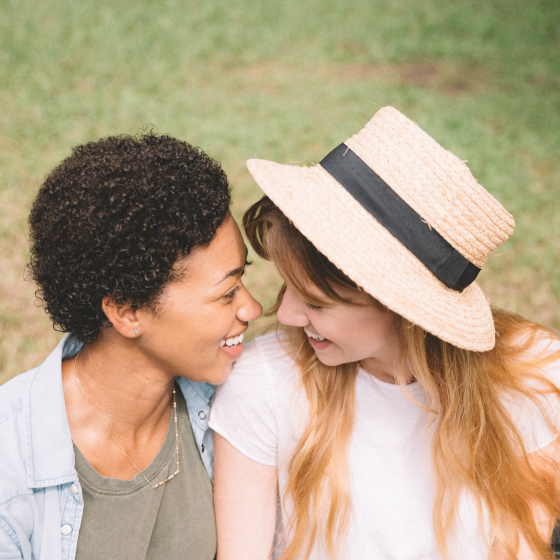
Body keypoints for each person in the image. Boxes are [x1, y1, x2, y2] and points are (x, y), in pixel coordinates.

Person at [209, 107, 560, 560]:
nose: (287, 315)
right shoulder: (265, 381)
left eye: (316, 303)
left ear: (405, 310)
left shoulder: (531, 376)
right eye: (288, 288)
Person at [0, 132, 262, 560]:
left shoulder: (233, 403)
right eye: (227, 293)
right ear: (127, 313)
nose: (253, 307)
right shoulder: (9, 463)